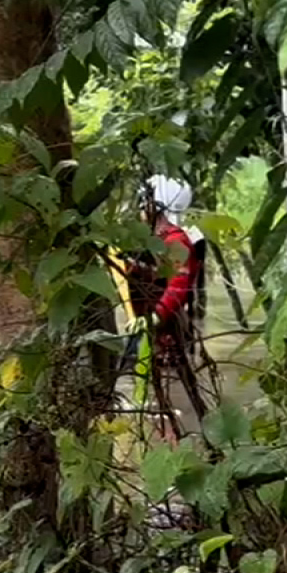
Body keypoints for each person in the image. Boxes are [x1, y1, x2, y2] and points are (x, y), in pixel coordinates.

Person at [123, 176, 210, 435]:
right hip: (150, 320)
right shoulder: (152, 239)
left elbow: (179, 286)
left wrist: (156, 316)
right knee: (144, 372)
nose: (139, 209)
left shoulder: (175, 241)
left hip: (163, 322)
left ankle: (179, 429)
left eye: (143, 204)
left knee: (172, 381)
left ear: (155, 207)